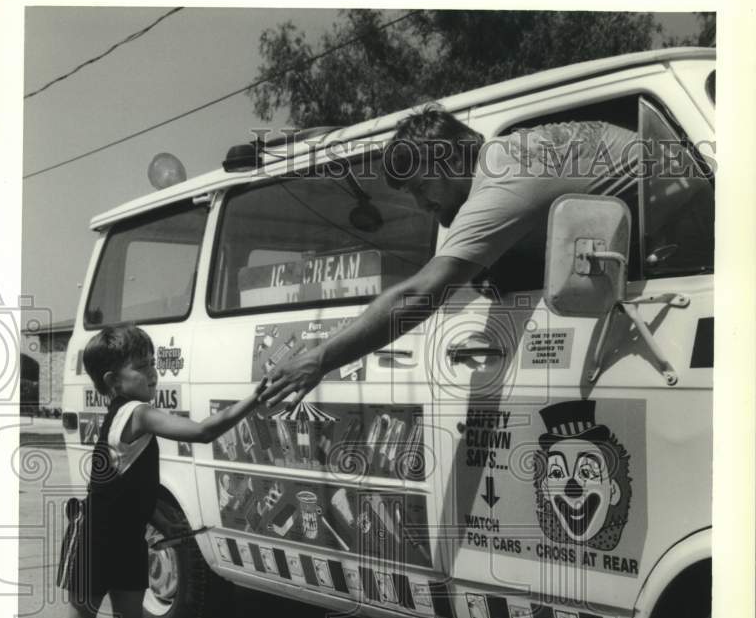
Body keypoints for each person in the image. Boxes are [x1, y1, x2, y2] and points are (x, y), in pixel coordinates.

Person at [262, 105, 637, 408]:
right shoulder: (512, 153)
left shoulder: (506, 180)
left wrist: (319, 359)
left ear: (456, 158)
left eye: (423, 186)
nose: (422, 204)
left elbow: (422, 293)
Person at [49, 324, 265, 618]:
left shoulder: (127, 410)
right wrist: (254, 400)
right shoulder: (136, 412)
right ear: (113, 380)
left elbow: (130, 487)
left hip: (127, 540)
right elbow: (203, 431)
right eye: (141, 365)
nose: (153, 372)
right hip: (94, 539)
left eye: (153, 363)